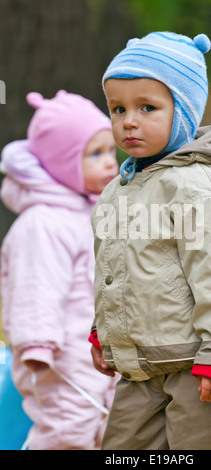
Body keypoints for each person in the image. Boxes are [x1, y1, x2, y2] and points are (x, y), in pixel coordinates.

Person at [89, 32, 211, 450]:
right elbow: (114, 269)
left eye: (147, 107)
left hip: (199, 363)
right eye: (118, 109)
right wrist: (104, 331)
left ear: (184, 111)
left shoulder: (202, 187)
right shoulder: (119, 190)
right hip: (140, 365)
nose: (128, 120)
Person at [0, 90, 119, 450]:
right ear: (62, 164)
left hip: (101, 354)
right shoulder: (43, 224)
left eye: (111, 150)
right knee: (67, 431)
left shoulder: (90, 213)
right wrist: (36, 344)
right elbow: (35, 288)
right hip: (59, 357)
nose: (110, 163)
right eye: (95, 154)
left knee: (109, 427)